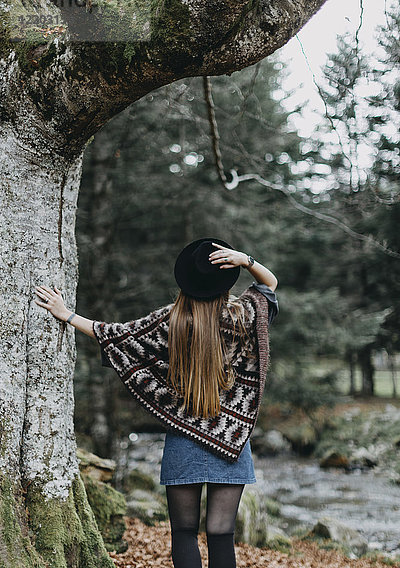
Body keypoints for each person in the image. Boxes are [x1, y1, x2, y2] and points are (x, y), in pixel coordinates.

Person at [34, 237, 278, 568]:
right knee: (222, 533)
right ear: (226, 281)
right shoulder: (241, 316)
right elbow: (270, 284)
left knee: (184, 532)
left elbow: (116, 334)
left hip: (183, 438)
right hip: (231, 438)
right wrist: (246, 260)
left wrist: (68, 315)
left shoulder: (171, 321)